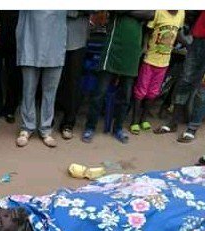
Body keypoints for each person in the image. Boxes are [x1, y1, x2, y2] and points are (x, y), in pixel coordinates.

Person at [82, 11, 155, 144]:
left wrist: (129, 11)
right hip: (113, 49)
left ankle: (118, 128)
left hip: (132, 51)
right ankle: (90, 127)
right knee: (99, 93)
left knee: (126, 95)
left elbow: (151, 14)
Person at [15, 10, 68, 148]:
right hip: (29, 43)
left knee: (50, 92)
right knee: (28, 90)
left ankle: (46, 129)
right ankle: (27, 128)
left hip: (54, 45)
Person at [131, 11, 186, 135]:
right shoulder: (159, 12)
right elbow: (148, 31)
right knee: (141, 91)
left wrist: (189, 44)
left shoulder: (181, 14)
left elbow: (178, 34)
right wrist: (144, 47)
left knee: (153, 92)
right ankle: (134, 121)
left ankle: (143, 119)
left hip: (164, 62)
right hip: (149, 60)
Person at [156, 11, 205, 141]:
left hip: (198, 38)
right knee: (185, 80)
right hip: (198, 37)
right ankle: (173, 122)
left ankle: (192, 128)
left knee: (202, 88)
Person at [58, 12, 91, 140]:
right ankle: (47, 122)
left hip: (77, 39)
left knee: (73, 81)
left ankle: (68, 123)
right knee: (51, 81)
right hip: (53, 36)